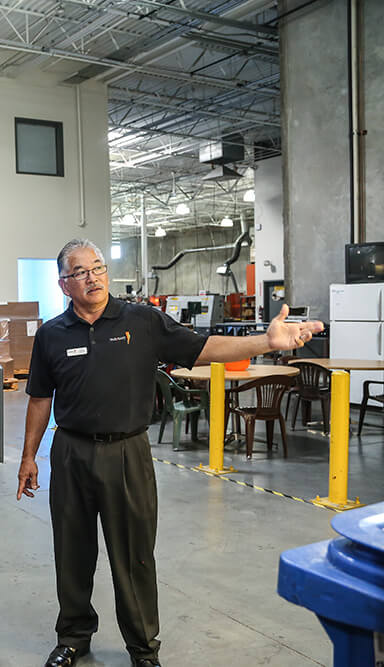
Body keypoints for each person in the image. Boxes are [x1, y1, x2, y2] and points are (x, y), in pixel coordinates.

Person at [16, 239, 324, 667]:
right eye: (81, 272)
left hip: (128, 453)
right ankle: (73, 637)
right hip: (71, 452)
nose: (93, 277)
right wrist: (29, 457)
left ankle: (143, 649)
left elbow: (205, 348)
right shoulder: (51, 334)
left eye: (98, 267)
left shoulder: (141, 321)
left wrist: (266, 342)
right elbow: (38, 399)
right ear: (64, 283)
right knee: (72, 550)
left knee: (135, 554)